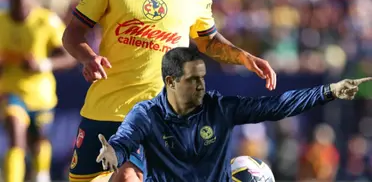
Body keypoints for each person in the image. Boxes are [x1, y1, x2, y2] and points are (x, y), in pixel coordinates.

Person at [62, 0, 277, 181]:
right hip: (102, 110)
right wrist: (88, 57)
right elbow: (73, 33)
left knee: (129, 176)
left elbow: (208, 40)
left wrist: (243, 57)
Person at [96, 47, 371, 182]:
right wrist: (116, 154)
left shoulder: (219, 108)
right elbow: (124, 145)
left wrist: (328, 91)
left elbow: (279, 105)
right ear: (171, 82)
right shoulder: (146, 114)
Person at [0, 0, 76, 182]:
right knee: (16, 135)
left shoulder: (46, 21)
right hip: (11, 92)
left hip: (41, 95)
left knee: (39, 143)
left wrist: (44, 64)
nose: (22, 2)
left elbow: (69, 56)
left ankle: (41, 176)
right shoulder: (2, 23)